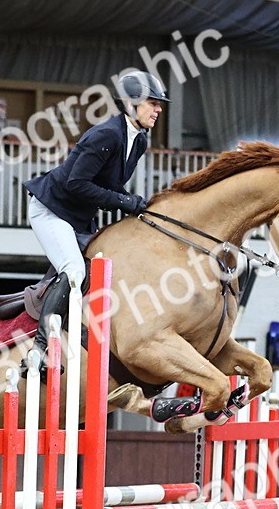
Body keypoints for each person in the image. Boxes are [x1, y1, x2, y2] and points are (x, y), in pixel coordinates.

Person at [22, 70, 169, 364]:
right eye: (152, 102)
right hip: (52, 210)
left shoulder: (137, 140)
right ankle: (40, 349)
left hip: (78, 217)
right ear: (131, 104)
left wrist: (139, 206)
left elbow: (110, 184)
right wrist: (123, 201)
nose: (159, 109)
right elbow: (77, 183)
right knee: (74, 271)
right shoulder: (107, 134)